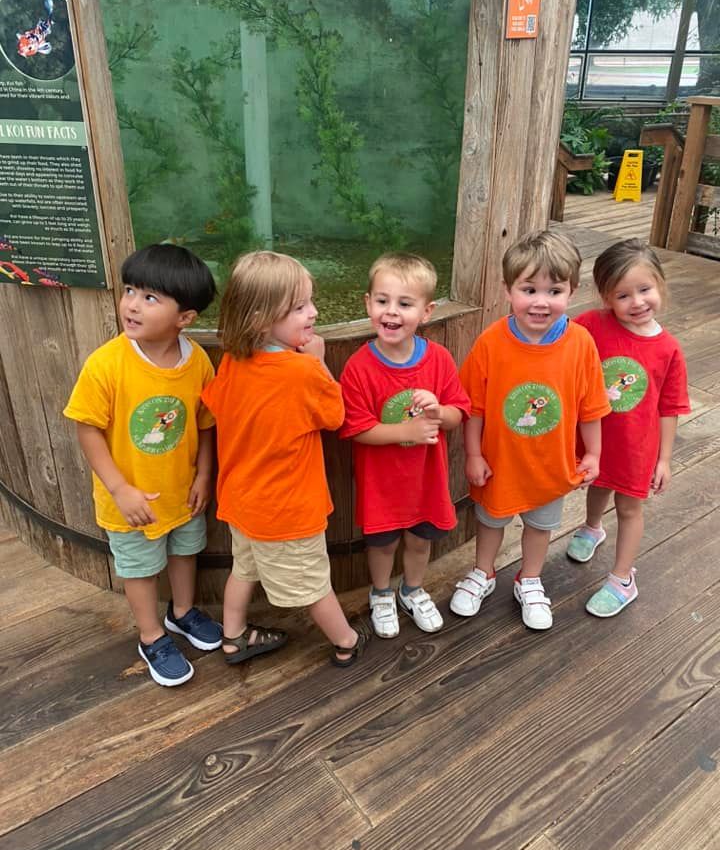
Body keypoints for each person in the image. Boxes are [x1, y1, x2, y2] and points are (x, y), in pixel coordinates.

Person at [64, 244, 222, 686]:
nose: (132, 304)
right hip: (131, 498)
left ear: (184, 318)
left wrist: (205, 474)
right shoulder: (107, 364)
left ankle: (183, 612)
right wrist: (119, 489)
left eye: (150, 297)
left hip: (182, 489)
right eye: (130, 290)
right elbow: (87, 429)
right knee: (140, 568)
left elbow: (205, 423)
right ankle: (151, 635)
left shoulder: (197, 362)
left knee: (186, 551)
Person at [201, 251, 368, 668]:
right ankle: (347, 640)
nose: (313, 313)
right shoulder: (301, 372)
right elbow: (335, 416)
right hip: (286, 511)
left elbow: (217, 404)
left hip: (242, 501)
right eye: (299, 307)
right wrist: (317, 361)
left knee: (244, 568)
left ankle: (234, 637)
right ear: (259, 319)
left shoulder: (232, 359)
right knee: (313, 585)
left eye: (310, 301)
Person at [452, 229, 610, 631]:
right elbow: (475, 407)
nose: (541, 302)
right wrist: (473, 454)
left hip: (550, 464)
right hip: (499, 462)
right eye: (529, 289)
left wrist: (592, 453)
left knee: (541, 526)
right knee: (490, 521)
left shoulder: (581, 344)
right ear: (508, 291)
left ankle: (530, 578)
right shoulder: (491, 343)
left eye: (554, 290)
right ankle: (483, 572)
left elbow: (591, 407)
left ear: (572, 291)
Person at [340, 253, 470, 639]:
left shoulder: (439, 359)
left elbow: (459, 413)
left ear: (426, 311)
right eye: (382, 301)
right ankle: (381, 593)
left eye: (404, 304)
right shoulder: (359, 367)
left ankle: (412, 589)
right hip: (382, 483)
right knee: (381, 545)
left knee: (419, 541)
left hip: (426, 479)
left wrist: (439, 410)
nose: (391, 313)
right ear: (367, 304)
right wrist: (407, 431)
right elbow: (356, 428)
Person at [568, 238, 690, 617]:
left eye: (645, 290)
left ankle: (623, 579)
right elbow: (561, 346)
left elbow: (669, 408)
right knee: (597, 483)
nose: (636, 302)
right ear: (605, 297)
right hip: (595, 438)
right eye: (623, 295)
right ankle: (591, 527)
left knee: (628, 507)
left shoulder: (668, 349)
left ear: (660, 286)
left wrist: (664, 459)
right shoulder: (591, 325)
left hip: (638, 446)